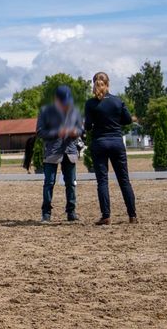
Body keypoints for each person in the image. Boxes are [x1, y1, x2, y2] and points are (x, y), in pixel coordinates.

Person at [84, 72, 138, 225]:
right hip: (116, 142)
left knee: (102, 181)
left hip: (99, 143)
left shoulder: (90, 103)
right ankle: (132, 215)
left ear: (94, 84)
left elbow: (87, 126)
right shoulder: (117, 101)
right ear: (108, 84)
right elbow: (127, 120)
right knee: (124, 180)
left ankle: (106, 216)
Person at [36, 85, 84, 223]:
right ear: (56, 99)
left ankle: (71, 211)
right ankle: (46, 213)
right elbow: (40, 132)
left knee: (71, 183)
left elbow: (81, 129)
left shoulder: (75, 111)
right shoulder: (45, 111)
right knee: (49, 183)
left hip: (70, 150)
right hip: (52, 151)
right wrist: (57, 133)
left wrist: (77, 132)